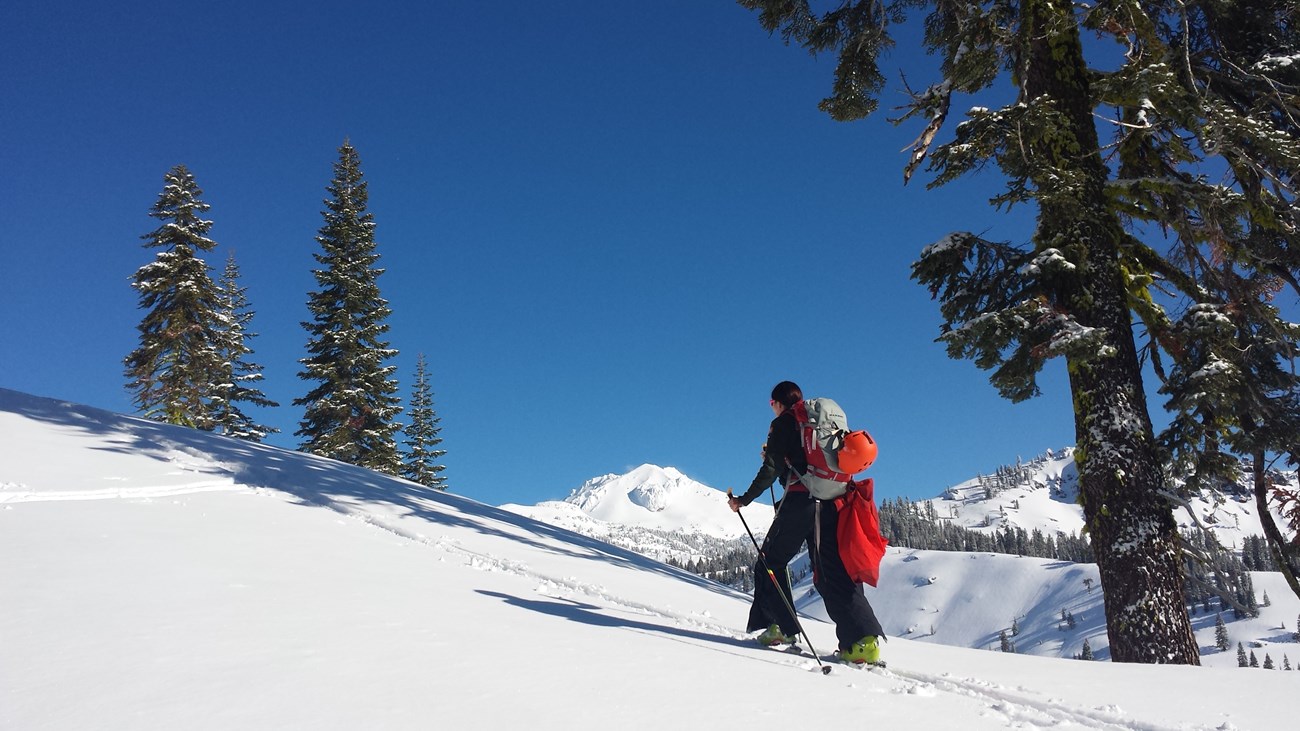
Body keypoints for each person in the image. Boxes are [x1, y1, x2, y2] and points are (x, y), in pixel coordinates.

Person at [728, 380, 885, 664]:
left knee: (769, 562)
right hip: (833, 503)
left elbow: (771, 468)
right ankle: (862, 643)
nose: (771, 408)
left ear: (778, 402)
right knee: (833, 572)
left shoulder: (784, 423)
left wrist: (744, 499)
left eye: (771, 403)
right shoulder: (816, 423)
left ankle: (781, 628)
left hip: (801, 502)